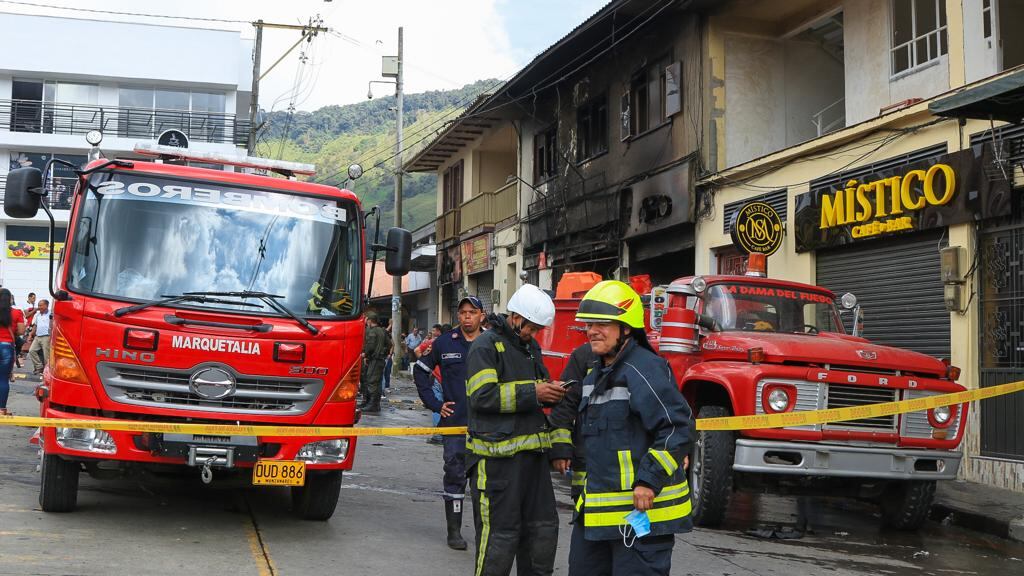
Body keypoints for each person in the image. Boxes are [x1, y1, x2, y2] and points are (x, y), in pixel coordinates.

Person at [567, 280, 693, 576]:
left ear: (626, 328)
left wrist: (649, 481)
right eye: (589, 324)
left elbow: (677, 427)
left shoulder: (644, 368)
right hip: (597, 517)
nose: (592, 330)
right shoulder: (594, 374)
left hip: (641, 518)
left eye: (602, 324)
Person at [465, 284, 570, 576]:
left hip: (533, 463)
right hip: (496, 465)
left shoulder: (529, 348)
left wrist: (550, 391)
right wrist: (534, 392)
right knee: (499, 539)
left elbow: (536, 390)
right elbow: (482, 396)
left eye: (537, 330)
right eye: (531, 328)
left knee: (542, 533)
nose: (533, 334)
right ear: (516, 317)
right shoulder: (485, 346)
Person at [414, 295, 486, 550]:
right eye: (463, 312)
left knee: (485, 482)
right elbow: (420, 370)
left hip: (487, 426)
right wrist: (435, 404)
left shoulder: (493, 342)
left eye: (472, 312)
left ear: (482, 316)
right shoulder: (445, 342)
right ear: (458, 316)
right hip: (455, 424)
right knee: (455, 475)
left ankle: (484, 533)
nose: (467, 316)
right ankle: (454, 532)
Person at [0, 288, 27, 415]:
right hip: (7, 346)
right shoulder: (17, 313)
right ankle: (1, 410)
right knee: (3, 379)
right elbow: (21, 331)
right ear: (10, 299)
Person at [359, 312, 390, 413]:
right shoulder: (382, 331)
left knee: (371, 381)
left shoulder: (372, 331)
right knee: (376, 381)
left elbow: (370, 346)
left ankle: (373, 405)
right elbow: (389, 344)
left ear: (370, 320)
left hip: (374, 360)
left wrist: (366, 354)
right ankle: (371, 403)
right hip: (380, 359)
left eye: (367, 319)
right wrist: (384, 354)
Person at [27, 299, 51, 378]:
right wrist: (31, 334)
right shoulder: (37, 315)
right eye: (38, 305)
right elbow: (35, 325)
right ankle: (39, 367)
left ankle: (47, 372)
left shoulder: (51, 314)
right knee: (31, 351)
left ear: (46, 306)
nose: (39, 307)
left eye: (41, 305)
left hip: (47, 336)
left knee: (46, 355)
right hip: (38, 336)